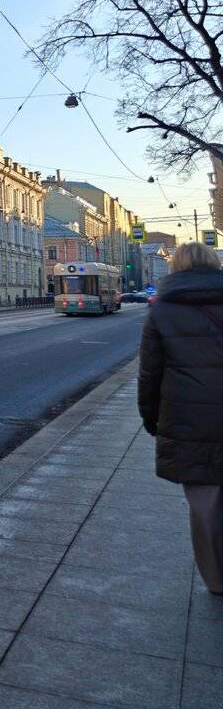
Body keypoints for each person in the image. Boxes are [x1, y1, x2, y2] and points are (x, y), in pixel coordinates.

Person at [138, 241, 223, 594]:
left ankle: (217, 580)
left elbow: (149, 374)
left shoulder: (162, 310)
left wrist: (152, 419)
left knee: (204, 503)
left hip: (189, 418)